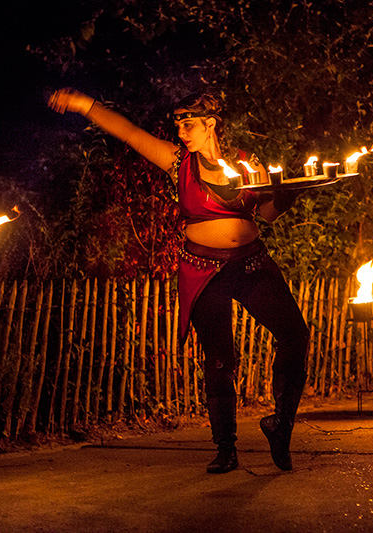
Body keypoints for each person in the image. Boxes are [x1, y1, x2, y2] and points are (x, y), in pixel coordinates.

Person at [48, 89, 310, 473]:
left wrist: (287, 196)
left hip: (251, 263)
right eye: (178, 126)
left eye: (189, 125)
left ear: (211, 125)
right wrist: (83, 105)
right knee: (220, 359)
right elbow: (130, 133)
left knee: (295, 334)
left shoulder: (244, 164)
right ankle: (226, 448)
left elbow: (266, 215)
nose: (182, 132)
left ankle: (281, 425)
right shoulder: (178, 163)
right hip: (203, 269)